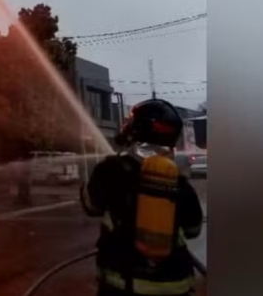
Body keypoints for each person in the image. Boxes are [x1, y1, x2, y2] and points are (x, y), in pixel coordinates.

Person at [80, 99, 203, 296]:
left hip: (122, 285)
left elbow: (90, 206)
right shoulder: (179, 183)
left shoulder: (110, 169)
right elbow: (193, 229)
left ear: (136, 129)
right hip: (177, 285)